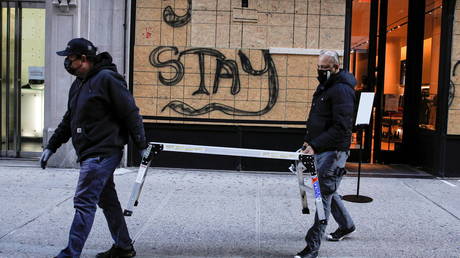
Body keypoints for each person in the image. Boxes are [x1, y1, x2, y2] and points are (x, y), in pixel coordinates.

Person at [40, 38, 148, 258]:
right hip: (91, 151)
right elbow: (69, 119)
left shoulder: (107, 79)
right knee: (107, 199)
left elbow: (130, 112)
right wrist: (51, 146)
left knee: (84, 201)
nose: (67, 63)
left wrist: (141, 144)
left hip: (103, 151)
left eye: (70, 58)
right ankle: (124, 247)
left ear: (83, 59)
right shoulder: (79, 83)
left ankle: (71, 254)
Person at [295, 50, 356, 258]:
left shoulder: (341, 90)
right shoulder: (327, 86)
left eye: (325, 68)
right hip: (321, 148)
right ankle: (346, 225)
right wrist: (308, 141)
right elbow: (319, 118)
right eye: (319, 68)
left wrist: (315, 145)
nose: (321, 72)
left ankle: (312, 247)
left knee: (324, 195)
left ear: (336, 68)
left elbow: (342, 127)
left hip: (334, 150)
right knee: (327, 189)